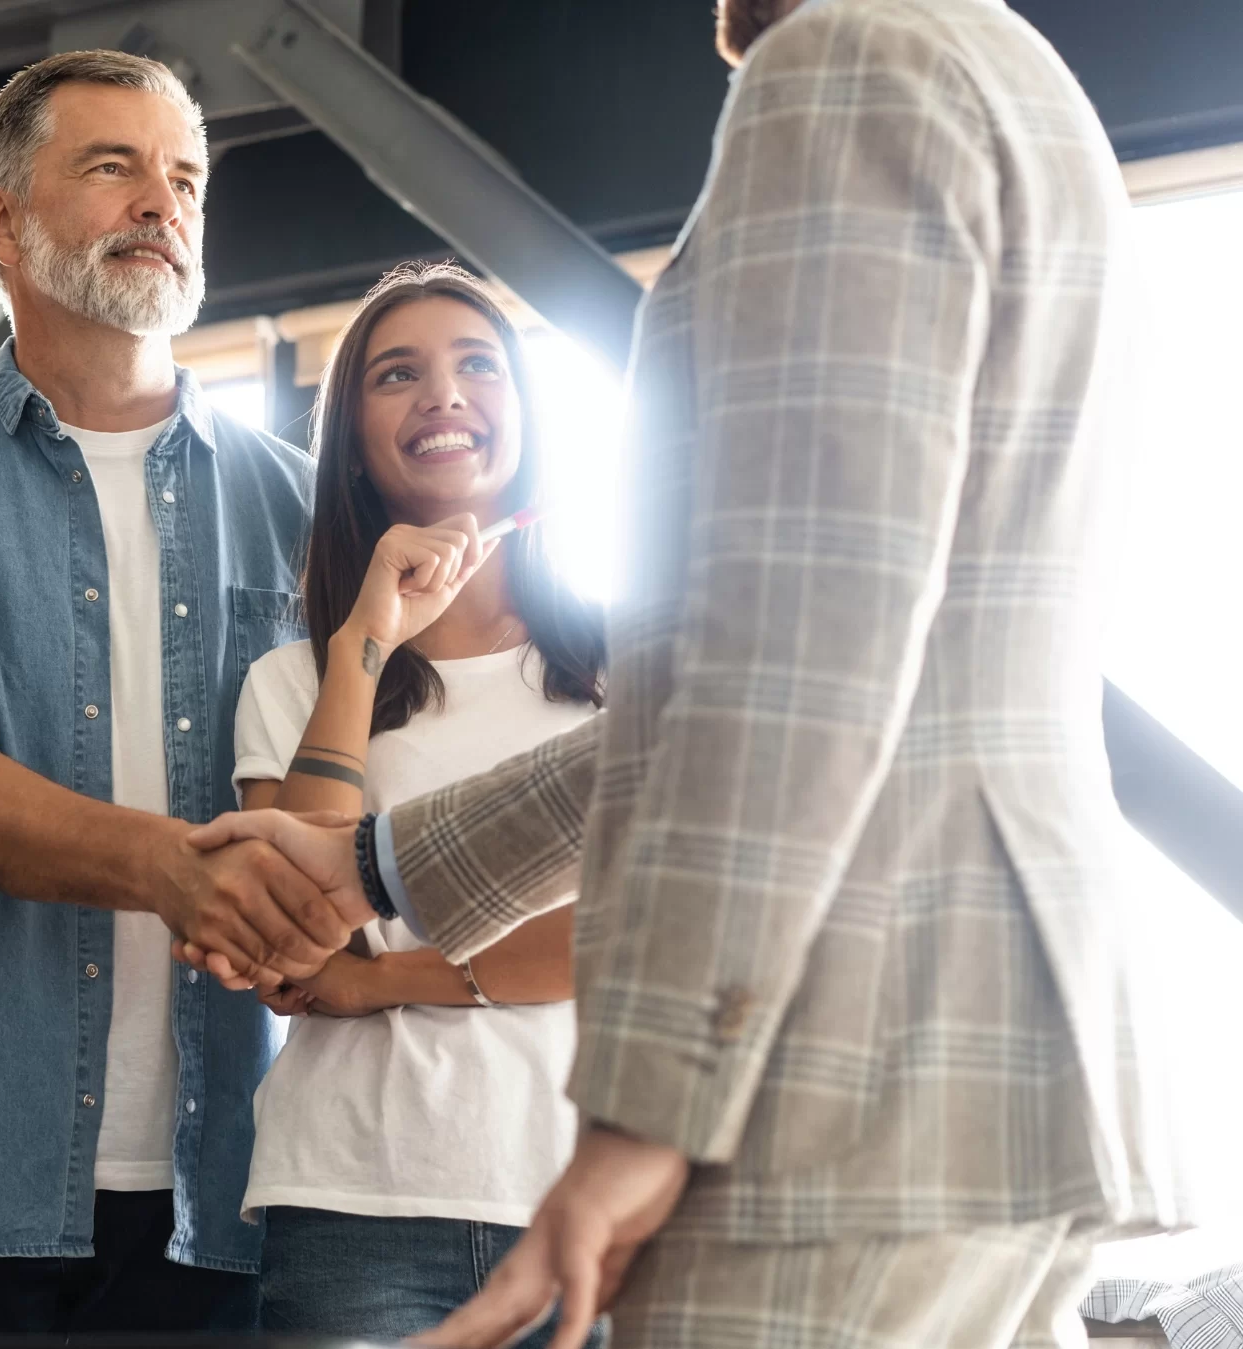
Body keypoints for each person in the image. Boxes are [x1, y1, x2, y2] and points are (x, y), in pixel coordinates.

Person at [187, 0, 1185, 1345]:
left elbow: (798, 651)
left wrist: (649, 1107)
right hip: (978, 1053)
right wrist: (370, 869)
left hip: (837, 1081)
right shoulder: (1012, 76)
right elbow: (768, 687)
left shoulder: (842, 68)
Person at [0, 49, 340, 1337]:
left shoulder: (305, 509)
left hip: (227, 1194)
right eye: (114, 167)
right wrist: (181, 870)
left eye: (186, 177)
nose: (163, 203)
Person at [215, 262, 606, 1344]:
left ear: (523, 415)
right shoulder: (288, 682)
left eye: (477, 364)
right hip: (350, 1204)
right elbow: (293, 944)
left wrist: (386, 977)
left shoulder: (630, 669)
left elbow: (636, 940)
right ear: (352, 440)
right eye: (398, 374)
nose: (442, 393)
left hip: (577, 1199)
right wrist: (360, 648)